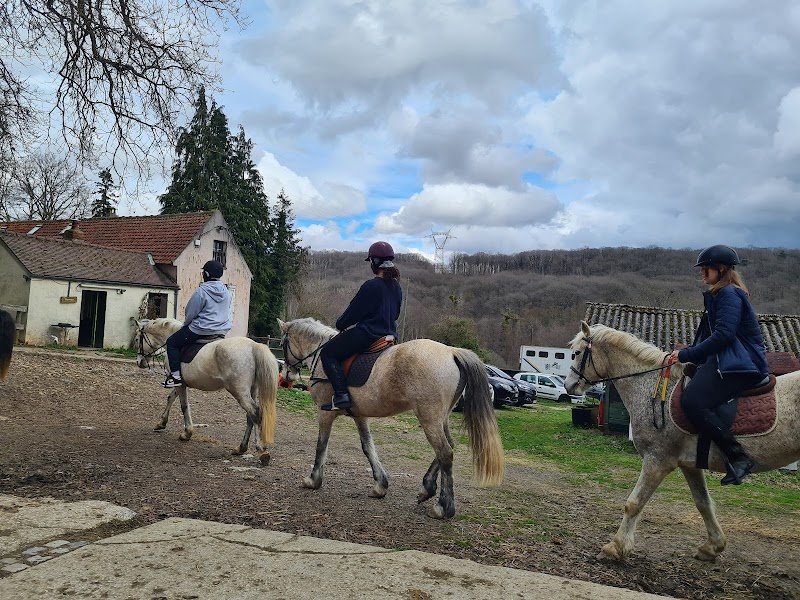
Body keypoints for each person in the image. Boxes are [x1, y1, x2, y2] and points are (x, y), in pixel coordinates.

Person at [667, 245, 768, 485]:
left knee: (693, 401)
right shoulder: (719, 294)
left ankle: (738, 456)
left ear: (721, 269)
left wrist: (686, 354)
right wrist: (691, 356)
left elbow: (723, 335)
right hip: (729, 359)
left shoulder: (728, 294)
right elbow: (709, 336)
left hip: (741, 363)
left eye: (706, 268)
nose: (701, 272)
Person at [319, 241, 403, 411]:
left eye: (371, 261)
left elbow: (354, 312)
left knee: (327, 353)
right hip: (390, 335)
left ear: (375, 262)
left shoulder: (371, 286)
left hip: (369, 334)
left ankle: (341, 395)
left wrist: (341, 323)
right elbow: (395, 315)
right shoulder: (397, 287)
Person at [164, 260, 232, 387]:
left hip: (201, 330)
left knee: (172, 342)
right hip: (221, 330)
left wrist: (185, 325)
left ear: (206, 274)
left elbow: (190, 312)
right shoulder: (226, 292)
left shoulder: (201, 291)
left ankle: (176, 377)